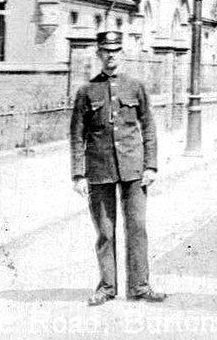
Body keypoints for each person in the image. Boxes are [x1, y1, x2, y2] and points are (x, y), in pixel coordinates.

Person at [69, 31, 166, 306]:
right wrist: (78, 173)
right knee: (105, 231)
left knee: (137, 228)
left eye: (115, 51)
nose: (111, 55)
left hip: (134, 170)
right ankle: (107, 287)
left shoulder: (136, 86)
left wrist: (151, 166)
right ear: (99, 54)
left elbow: (148, 127)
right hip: (99, 170)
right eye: (105, 51)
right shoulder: (86, 91)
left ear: (121, 53)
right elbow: (77, 134)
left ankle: (140, 286)